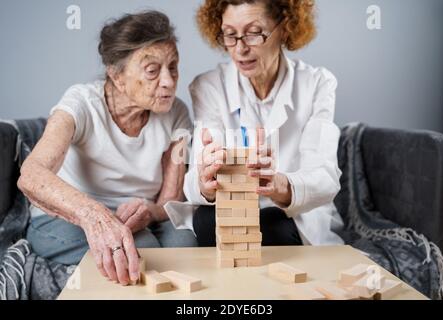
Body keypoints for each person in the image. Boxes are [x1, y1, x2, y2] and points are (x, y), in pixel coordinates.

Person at [18, 10, 197, 286]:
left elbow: (170, 202)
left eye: (173, 66)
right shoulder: (81, 103)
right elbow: (31, 174)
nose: (169, 81)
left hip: (140, 216)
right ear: (117, 76)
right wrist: (96, 217)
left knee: (186, 246)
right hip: (67, 217)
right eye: (152, 71)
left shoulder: (177, 113)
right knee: (142, 250)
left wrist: (150, 211)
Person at [177, 0, 344, 247]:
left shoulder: (317, 84)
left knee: (268, 226)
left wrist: (278, 184)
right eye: (230, 35)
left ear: (285, 27)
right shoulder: (209, 86)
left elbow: (325, 177)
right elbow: (194, 181)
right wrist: (205, 182)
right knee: (208, 221)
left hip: (291, 215)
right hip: (232, 208)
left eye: (254, 33)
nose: (240, 49)